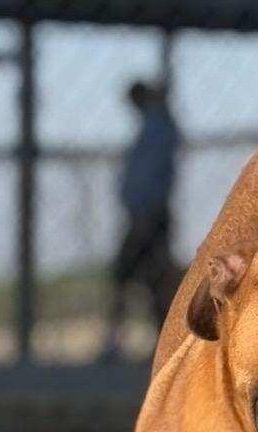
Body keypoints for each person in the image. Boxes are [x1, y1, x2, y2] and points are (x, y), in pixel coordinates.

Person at [101, 81, 180, 362]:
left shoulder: (158, 128)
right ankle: (159, 344)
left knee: (130, 277)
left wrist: (144, 215)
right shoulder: (155, 126)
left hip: (148, 217)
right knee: (152, 283)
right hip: (145, 216)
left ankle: (118, 342)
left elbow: (152, 178)